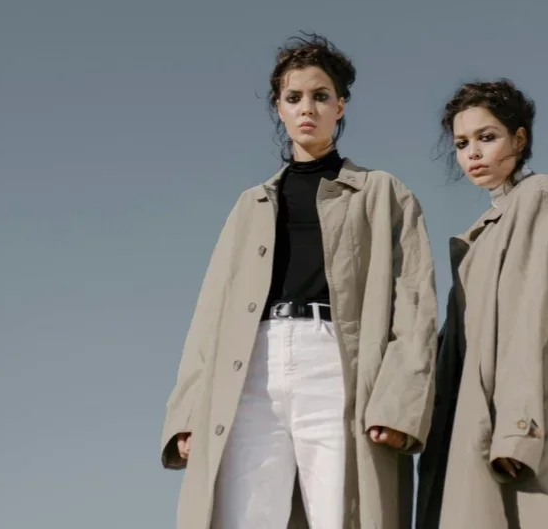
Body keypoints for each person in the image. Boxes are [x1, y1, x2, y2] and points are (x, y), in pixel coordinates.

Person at [158, 33, 438, 529]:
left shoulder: (382, 193)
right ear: (279, 108)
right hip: (250, 372)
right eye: (294, 97)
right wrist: (188, 412)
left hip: (335, 365)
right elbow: (211, 315)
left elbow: (414, 303)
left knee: (341, 514)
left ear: (340, 106)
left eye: (320, 96)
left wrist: (399, 403)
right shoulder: (250, 205)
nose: (307, 108)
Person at [415, 79, 548, 529]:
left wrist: (518, 428)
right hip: (483, 412)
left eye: (487, 137)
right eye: (462, 143)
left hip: (526, 415)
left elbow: (529, 310)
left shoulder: (540, 196)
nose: (473, 153)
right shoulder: (489, 227)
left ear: (519, 139)